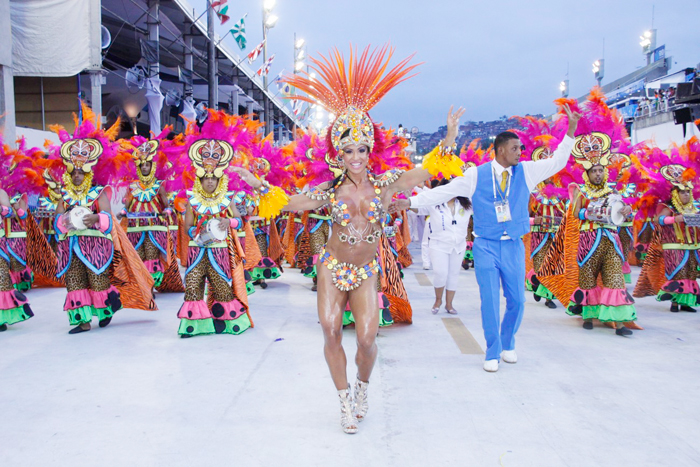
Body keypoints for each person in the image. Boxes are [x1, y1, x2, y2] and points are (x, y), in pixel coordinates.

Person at [233, 45, 458, 433]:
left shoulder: (386, 186)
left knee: (368, 339)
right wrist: (256, 182)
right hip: (332, 269)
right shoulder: (329, 190)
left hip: (367, 270)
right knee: (330, 329)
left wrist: (450, 134)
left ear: (371, 150)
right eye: (348, 149)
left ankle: (362, 387)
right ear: (338, 153)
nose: (355, 156)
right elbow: (287, 202)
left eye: (361, 149)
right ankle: (343, 401)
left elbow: (426, 171)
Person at [393, 104, 580, 372]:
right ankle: (492, 351)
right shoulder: (475, 175)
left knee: (517, 300)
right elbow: (443, 193)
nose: (520, 152)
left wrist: (571, 132)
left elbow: (558, 162)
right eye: (515, 148)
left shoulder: (526, 172)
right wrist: (409, 202)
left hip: (514, 246)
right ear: (501, 150)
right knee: (490, 300)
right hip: (485, 247)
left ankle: (508, 342)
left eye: (520, 149)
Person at [414, 178, 472, 314]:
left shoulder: (466, 204)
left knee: (453, 275)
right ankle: (438, 300)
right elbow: (418, 207)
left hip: (458, 245)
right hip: (438, 244)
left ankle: (449, 304)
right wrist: (405, 201)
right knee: (441, 273)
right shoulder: (435, 203)